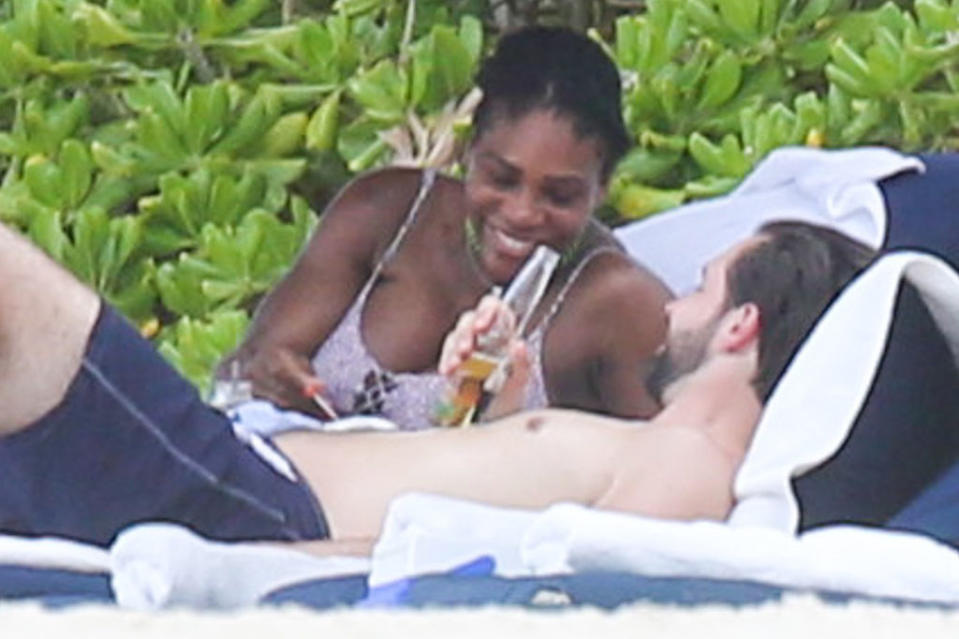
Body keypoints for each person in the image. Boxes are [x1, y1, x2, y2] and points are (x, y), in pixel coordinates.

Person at [0, 219, 874, 548]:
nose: (671, 304)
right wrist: (496, 401)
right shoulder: (658, 446)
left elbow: (524, 591)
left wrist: (257, 570)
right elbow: (486, 511)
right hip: (244, 477)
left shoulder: (692, 458)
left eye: (700, 286)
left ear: (740, 325)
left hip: (246, 507)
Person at [216, 26, 672, 426]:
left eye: (560, 196)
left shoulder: (617, 303)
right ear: (469, 151)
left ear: (604, 187)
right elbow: (244, 368)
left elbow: (674, 458)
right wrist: (270, 379)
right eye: (501, 178)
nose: (521, 213)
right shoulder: (389, 214)